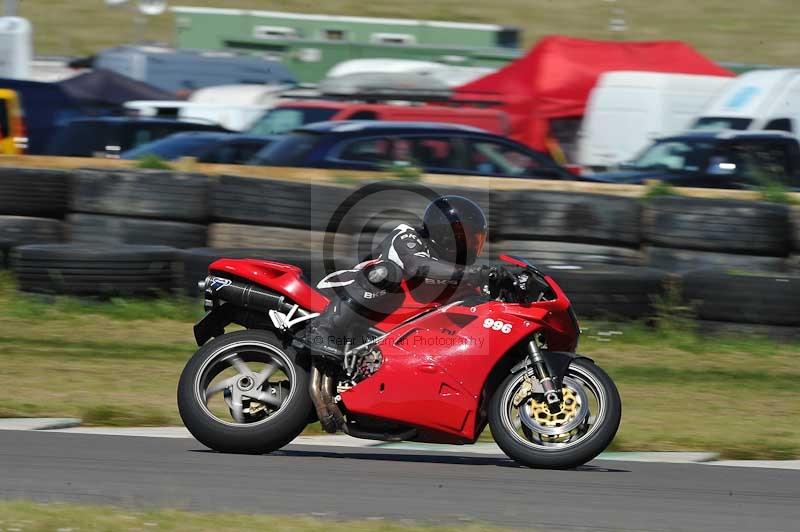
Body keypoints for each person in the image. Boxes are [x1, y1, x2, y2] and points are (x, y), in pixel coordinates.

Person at [298, 195, 497, 360]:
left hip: (382, 320)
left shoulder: (457, 272)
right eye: (469, 238)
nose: (473, 246)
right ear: (446, 233)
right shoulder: (407, 235)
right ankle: (320, 330)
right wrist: (474, 273)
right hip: (339, 292)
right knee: (386, 272)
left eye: (477, 240)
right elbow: (418, 266)